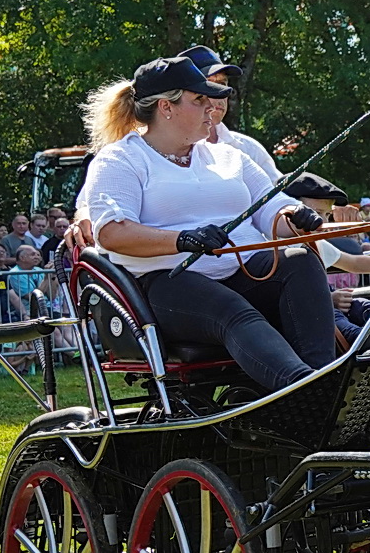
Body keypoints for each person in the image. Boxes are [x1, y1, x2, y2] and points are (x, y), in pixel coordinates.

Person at [77, 55, 332, 392]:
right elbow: (111, 233)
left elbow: (273, 209)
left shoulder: (228, 156)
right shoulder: (120, 160)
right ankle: (305, 390)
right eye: (199, 100)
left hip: (241, 273)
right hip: (170, 282)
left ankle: (328, 378)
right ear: (166, 107)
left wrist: (297, 218)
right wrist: (183, 239)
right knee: (232, 311)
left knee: (300, 260)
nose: (212, 107)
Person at [177, 44, 282, 184]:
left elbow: (279, 195)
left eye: (222, 84)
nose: (219, 93)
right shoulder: (160, 151)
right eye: (209, 85)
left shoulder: (248, 149)